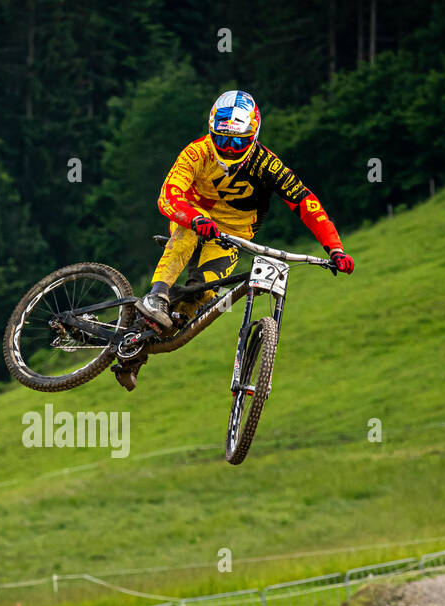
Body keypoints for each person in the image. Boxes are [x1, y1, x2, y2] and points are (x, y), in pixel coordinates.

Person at [114, 90, 355, 391]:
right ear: (211, 131)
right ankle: (157, 294)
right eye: (222, 139)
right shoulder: (197, 152)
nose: (228, 148)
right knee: (186, 234)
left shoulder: (268, 165)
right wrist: (193, 218)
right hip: (194, 216)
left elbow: (306, 203)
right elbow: (169, 195)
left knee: (202, 296)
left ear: (253, 136)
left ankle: (137, 348)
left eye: (237, 141)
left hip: (233, 235)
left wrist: (334, 247)